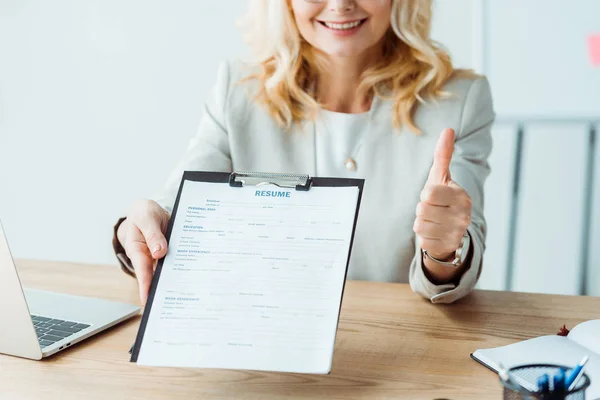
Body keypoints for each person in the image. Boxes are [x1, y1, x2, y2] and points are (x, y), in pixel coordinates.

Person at [112, 0, 494, 305]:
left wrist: (443, 251)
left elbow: (457, 260)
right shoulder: (238, 89)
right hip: (266, 334)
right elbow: (178, 201)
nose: (341, 5)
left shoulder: (460, 100)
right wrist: (143, 226)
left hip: (399, 347)